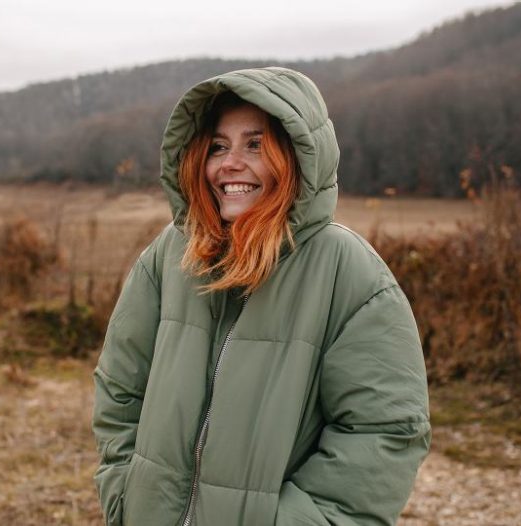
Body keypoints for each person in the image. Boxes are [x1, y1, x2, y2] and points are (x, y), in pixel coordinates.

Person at [92, 66, 430, 526]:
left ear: (298, 156)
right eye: (218, 146)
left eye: (255, 144)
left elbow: (384, 431)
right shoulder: (170, 256)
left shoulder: (350, 274)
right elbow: (120, 387)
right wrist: (125, 492)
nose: (229, 163)